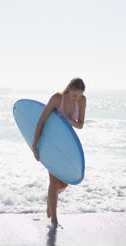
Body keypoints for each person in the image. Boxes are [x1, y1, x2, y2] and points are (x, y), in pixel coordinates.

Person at [32, 78, 86, 226]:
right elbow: (41, 121)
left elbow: (80, 125)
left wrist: (68, 120)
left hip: (66, 144)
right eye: (75, 95)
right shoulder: (57, 99)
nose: (77, 98)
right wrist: (34, 146)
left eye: (80, 95)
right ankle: (54, 219)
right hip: (50, 142)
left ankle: (50, 199)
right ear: (68, 89)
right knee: (54, 180)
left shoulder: (82, 101)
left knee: (63, 184)